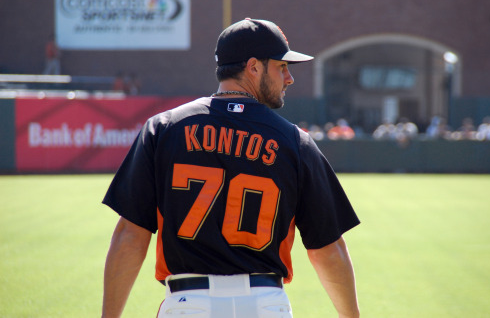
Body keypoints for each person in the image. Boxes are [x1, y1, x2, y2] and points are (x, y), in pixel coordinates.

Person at [101, 18, 360, 318]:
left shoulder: (164, 128)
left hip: (188, 305)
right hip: (265, 305)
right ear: (253, 67)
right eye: (281, 66)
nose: (289, 78)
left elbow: (130, 235)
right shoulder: (294, 141)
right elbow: (328, 249)